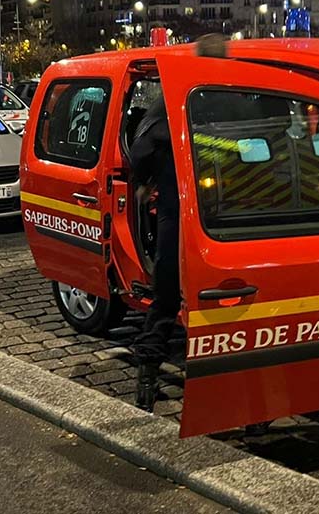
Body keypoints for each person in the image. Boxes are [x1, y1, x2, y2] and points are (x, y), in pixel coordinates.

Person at [128, 95, 181, 413]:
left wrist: (145, 182)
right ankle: (252, 408)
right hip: (227, 218)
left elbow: (141, 152)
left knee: (165, 300)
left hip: (176, 218)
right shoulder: (238, 97)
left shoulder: (172, 98)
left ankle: (147, 379)